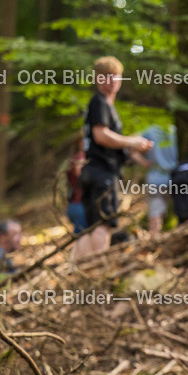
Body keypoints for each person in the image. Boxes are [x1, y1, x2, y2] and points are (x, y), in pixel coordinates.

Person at [72, 56, 153, 261]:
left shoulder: (106, 105)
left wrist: (135, 151)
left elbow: (107, 142)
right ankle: (99, 267)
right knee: (103, 224)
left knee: (92, 226)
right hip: (101, 174)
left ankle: (81, 269)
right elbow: (101, 136)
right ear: (97, 79)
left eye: (115, 76)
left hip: (95, 171)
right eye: (106, 76)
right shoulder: (99, 103)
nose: (111, 81)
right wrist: (131, 141)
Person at [131, 123, 178, 235]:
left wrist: (144, 162)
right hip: (175, 176)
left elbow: (132, 147)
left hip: (155, 176)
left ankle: (154, 237)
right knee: (178, 208)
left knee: (156, 210)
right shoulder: (175, 130)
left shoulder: (150, 132)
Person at [65, 145, 88, 233]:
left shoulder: (74, 158)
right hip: (79, 206)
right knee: (82, 237)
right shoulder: (80, 158)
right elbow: (78, 172)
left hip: (76, 205)